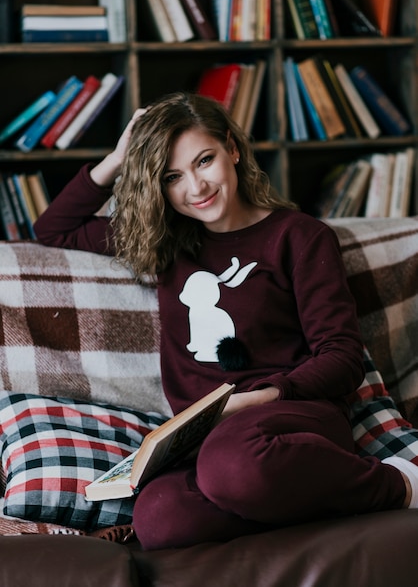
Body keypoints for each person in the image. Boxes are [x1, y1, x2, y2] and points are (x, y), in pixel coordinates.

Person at [34, 91, 418, 551]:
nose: (195, 188)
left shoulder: (298, 236)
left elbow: (342, 357)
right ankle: (295, 501)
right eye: (172, 176)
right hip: (206, 436)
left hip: (290, 417)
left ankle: (399, 487)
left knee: (232, 466)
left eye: (204, 161)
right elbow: (53, 228)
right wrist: (120, 157)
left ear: (232, 149)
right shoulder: (164, 243)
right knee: (158, 519)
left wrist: (260, 398)